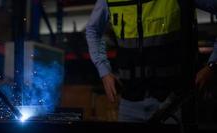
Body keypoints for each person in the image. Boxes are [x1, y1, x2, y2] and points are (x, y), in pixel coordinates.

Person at [86, 0, 217, 122]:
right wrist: (104, 70)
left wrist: (212, 65)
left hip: (173, 104)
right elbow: (93, 30)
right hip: (130, 103)